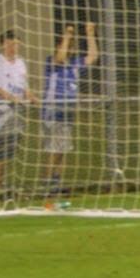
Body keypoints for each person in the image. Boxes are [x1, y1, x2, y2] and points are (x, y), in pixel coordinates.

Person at [41, 22, 99, 189]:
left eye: (72, 47)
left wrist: (90, 34)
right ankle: (47, 183)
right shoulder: (52, 63)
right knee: (54, 149)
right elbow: (60, 57)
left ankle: (56, 181)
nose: (70, 49)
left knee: (62, 150)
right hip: (52, 112)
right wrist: (67, 35)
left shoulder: (74, 66)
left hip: (67, 113)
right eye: (67, 46)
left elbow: (92, 56)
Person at [0, 30, 36, 193]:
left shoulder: (21, 63)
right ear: (3, 44)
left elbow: (24, 86)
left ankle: (3, 184)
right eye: (10, 43)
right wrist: (12, 98)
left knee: (8, 152)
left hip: (16, 114)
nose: (13, 47)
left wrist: (31, 97)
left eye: (16, 44)